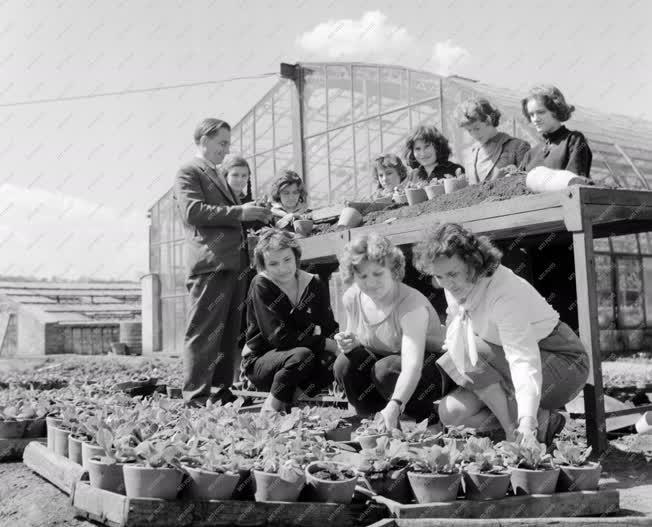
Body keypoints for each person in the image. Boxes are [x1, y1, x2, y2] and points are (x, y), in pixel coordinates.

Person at [413, 223, 590, 445]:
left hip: (562, 363)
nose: (446, 283)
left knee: (468, 348)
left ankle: (521, 427)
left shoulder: (504, 293)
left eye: (452, 274)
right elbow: (455, 320)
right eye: (438, 276)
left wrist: (526, 420)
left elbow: (523, 358)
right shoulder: (455, 286)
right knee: (452, 413)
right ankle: (541, 422)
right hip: (498, 361)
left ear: (473, 263)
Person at [173, 118, 272, 406]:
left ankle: (220, 389)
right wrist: (240, 212)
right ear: (204, 140)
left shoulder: (216, 174)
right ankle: (195, 395)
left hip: (234, 263)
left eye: (228, 143)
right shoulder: (189, 171)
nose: (226, 149)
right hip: (211, 262)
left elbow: (227, 214)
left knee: (229, 330)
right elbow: (193, 211)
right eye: (222, 143)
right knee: (204, 329)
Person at [333, 233, 453, 430]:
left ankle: (428, 420)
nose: (370, 282)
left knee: (386, 368)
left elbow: (412, 366)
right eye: (362, 276)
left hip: (436, 368)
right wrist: (349, 342)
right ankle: (375, 422)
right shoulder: (352, 298)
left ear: (394, 271)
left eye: (378, 274)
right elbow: (355, 340)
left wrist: (395, 404)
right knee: (344, 363)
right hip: (388, 364)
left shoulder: (411, 305)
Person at [241, 228, 339, 414]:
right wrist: (325, 343)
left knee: (335, 359)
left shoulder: (313, 283)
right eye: (273, 263)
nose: (282, 268)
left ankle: (296, 401)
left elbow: (328, 325)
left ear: (296, 257)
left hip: (303, 357)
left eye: (287, 260)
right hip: (263, 361)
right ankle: (270, 409)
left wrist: (340, 344)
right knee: (301, 355)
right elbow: (279, 338)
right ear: (264, 266)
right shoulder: (261, 284)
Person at [519, 85, 592, 178]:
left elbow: (574, 182)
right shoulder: (530, 155)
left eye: (541, 112)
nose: (535, 119)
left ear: (555, 111)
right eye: (531, 114)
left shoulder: (573, 140)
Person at [454, 97, 531, 184]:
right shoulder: (470, 155)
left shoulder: (518, 147)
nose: (474, 134)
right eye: (469, 130)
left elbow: (528, 183)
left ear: (488, 120)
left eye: (477, 128)